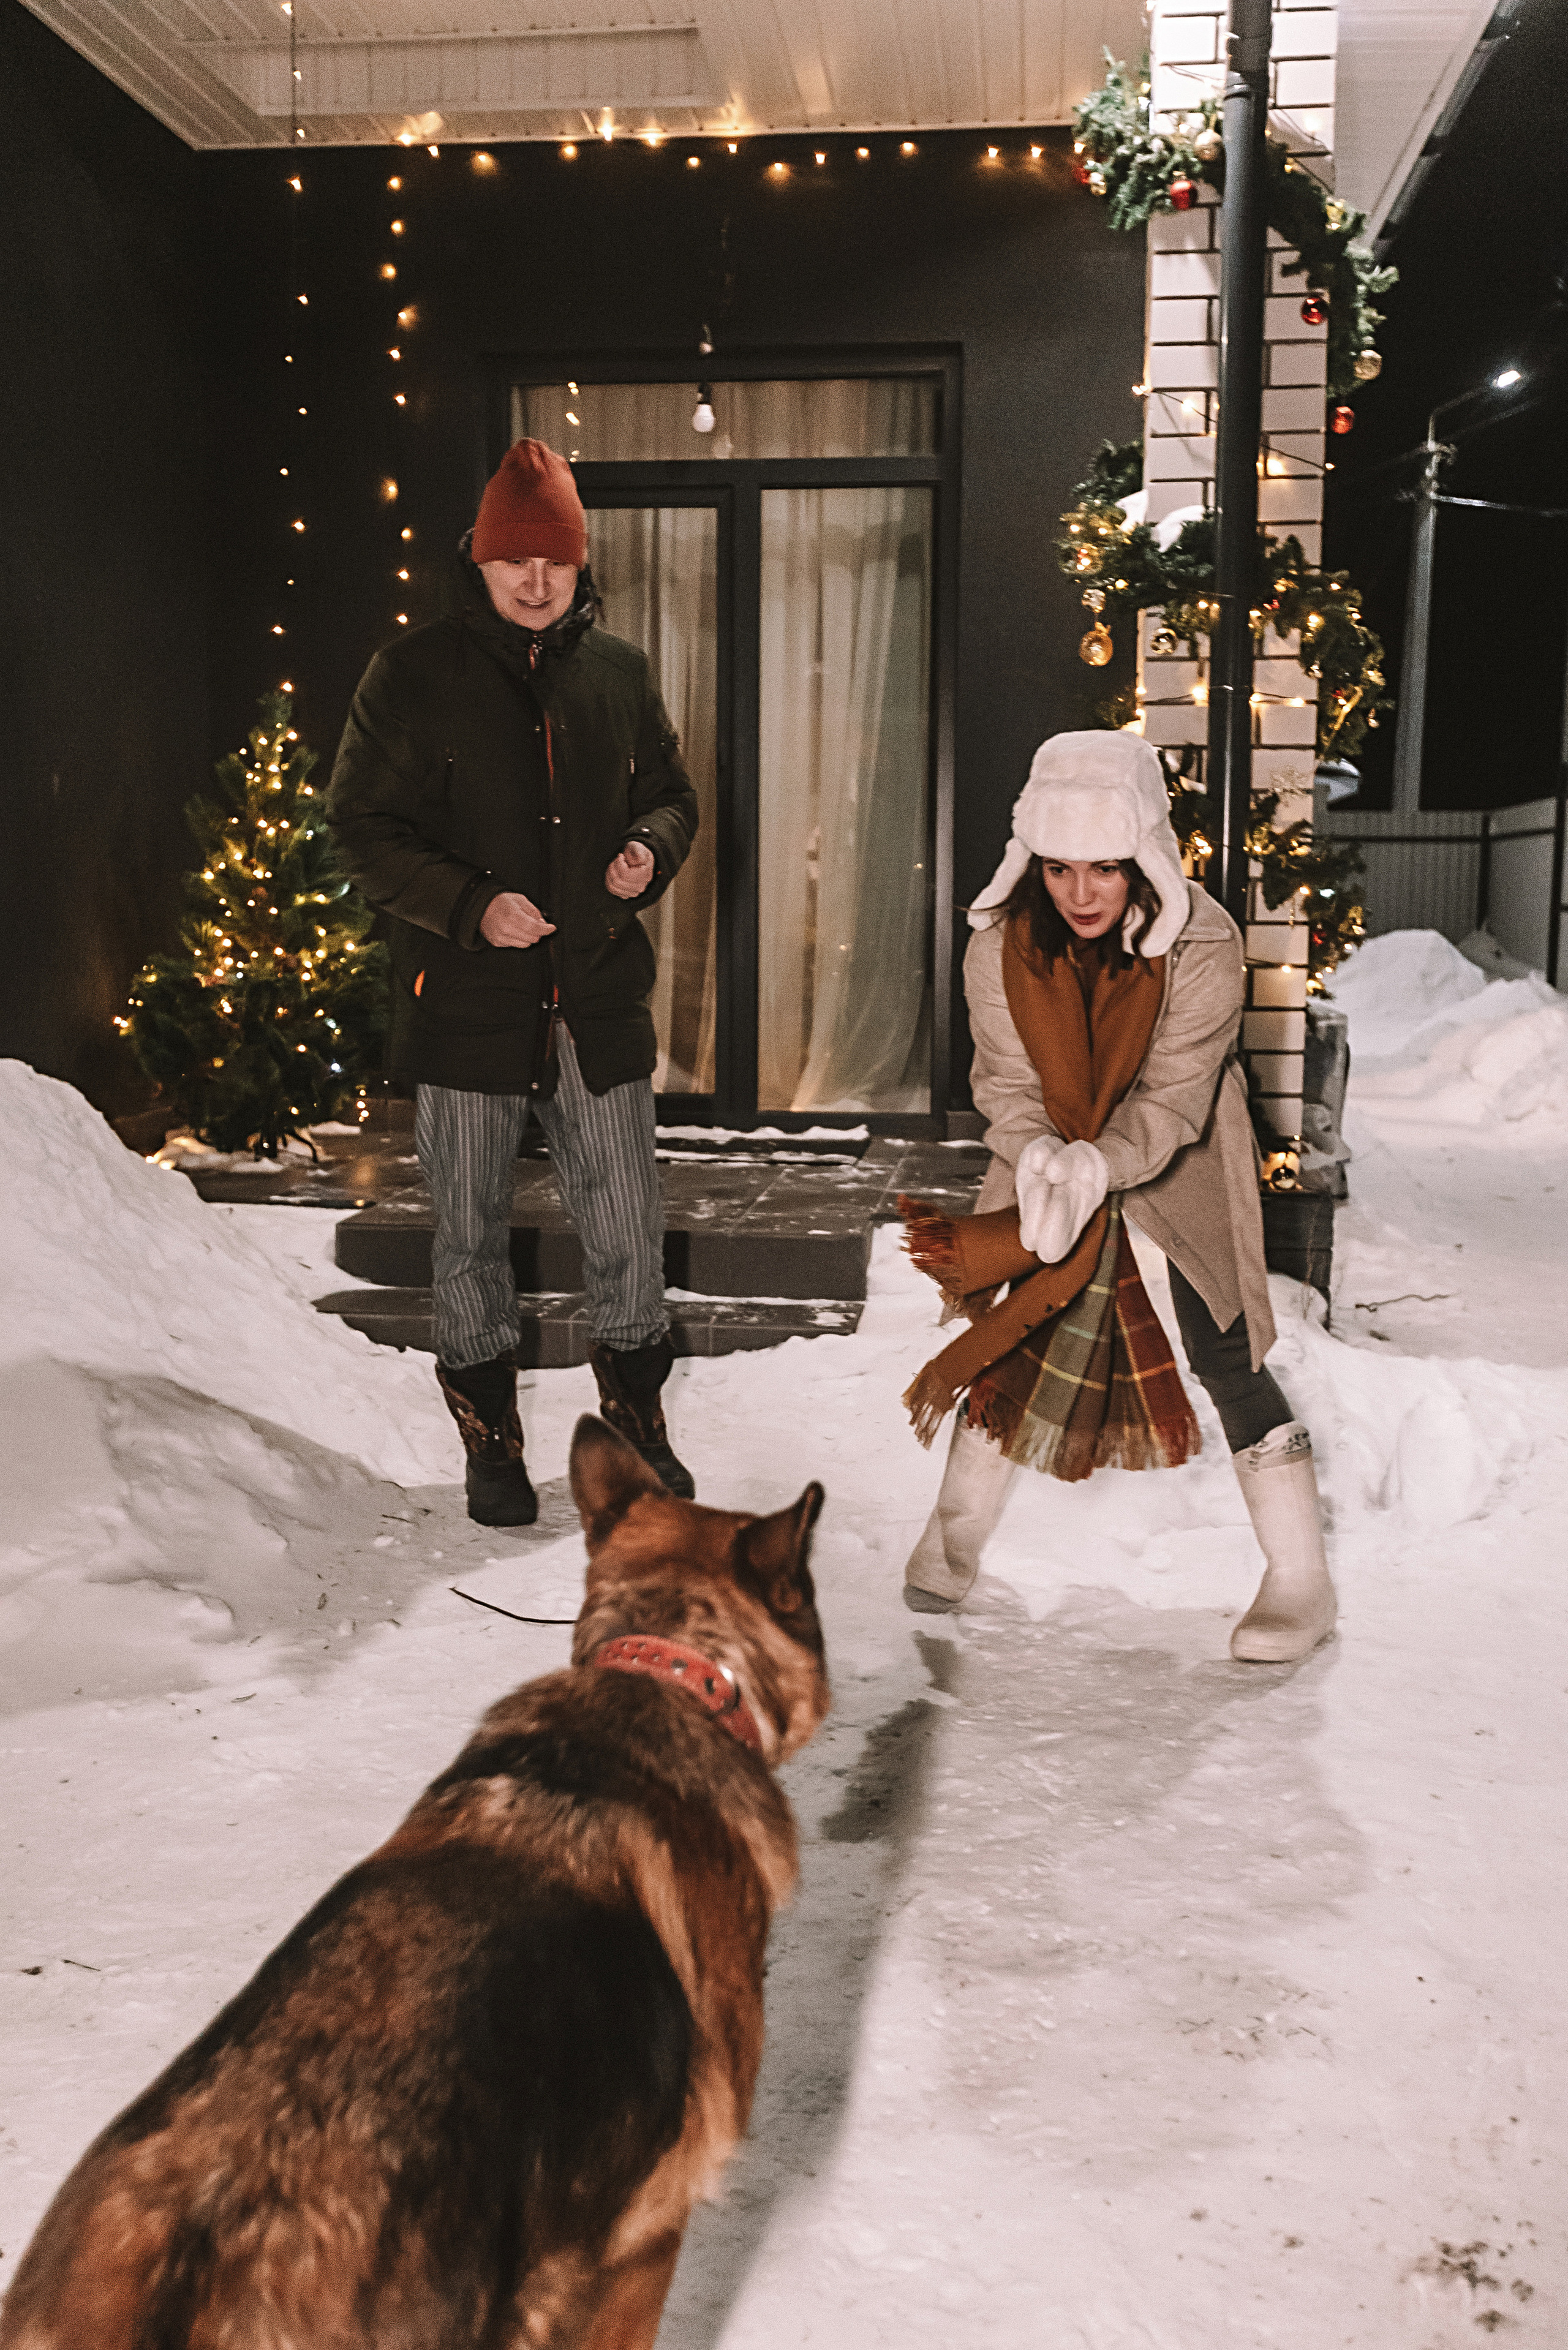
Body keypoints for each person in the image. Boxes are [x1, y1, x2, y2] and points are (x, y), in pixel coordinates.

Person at [899, 729, 1336, 1663]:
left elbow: (1176, 1094)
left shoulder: (1205, 941)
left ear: (1142, 855)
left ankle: (1301, 1581)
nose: (1082, 893)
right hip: (1050, 1150)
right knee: (1016, 1330)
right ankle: (953, 1534)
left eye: (1104, 867)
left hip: (1177, 1160)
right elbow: (1006, 1084)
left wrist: (1103, 1162)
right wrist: (1042, 1155)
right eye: (1059, 868)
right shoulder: (998, 949)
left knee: (1224, 1351)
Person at [328, 439, 701, 1524]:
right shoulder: (411, 675)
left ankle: (636, 1420)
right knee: (469, 1230)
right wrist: (467, 904)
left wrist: (650, 847)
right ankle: (489, 1435)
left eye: (557, 561)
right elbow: (361, 826)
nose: (536, 581)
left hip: (594, 999)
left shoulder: (620, 674)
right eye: (514, 561)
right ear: (480, 562)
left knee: (627, 1218)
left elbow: (674, 794)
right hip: (469, 1008)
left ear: (582, 565)